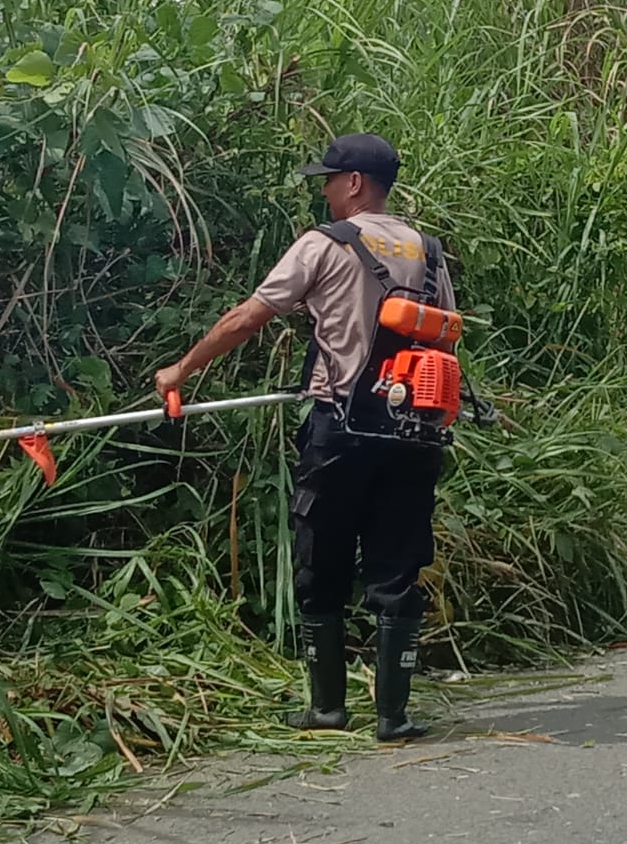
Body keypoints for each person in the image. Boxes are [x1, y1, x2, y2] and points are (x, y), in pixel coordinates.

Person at [153, 132, 455, 741]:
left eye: (328, 180)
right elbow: (446, 334)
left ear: (354, 184)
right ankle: (393, 717)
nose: (323, 191)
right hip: (414, 429)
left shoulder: (325, 243)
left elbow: (248, 316)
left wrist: (180, 370)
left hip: (339, 427)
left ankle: (329, 708)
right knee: (397, 567)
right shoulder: (429, 250)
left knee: (323, 556)